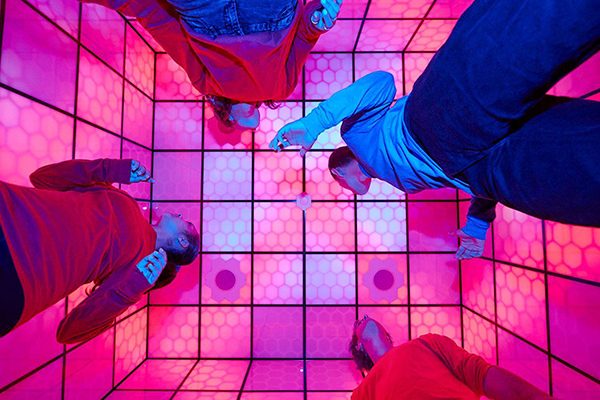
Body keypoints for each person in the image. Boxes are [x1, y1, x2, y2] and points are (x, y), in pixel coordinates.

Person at [269, 0, 600, 260]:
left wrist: (315, 123)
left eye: (341, 184)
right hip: (482, 174)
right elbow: (457, 175)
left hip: (437, 117)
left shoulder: (354, 135)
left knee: (545, 20)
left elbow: (381, 83)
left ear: (342, 172)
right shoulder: (396, 181)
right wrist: (478, 221)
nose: (347, 190)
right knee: (586, 175)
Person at [0, 158, 200, 343]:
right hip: (10, 210)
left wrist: (131, 289)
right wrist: (107, 169)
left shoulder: (137, 274)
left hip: (19, 281)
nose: (181, 215)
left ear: (182, 241)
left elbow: (70, 332)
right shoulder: (127, 201)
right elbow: (42, 179)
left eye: (188, 223)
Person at [88, 0, 343, 129]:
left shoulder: (207, 85)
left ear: (226, 114)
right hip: (268, 17)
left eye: (236, 124)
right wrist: (318, 19)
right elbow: (304, 37)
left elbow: (167, 31)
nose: (253, 122)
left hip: (208, 19)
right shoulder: (279, 89)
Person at [350, 315, 552, 400]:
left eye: (364, 318)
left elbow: (481, 375)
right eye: (359, 323)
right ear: (360, 348)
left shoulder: (428, 343)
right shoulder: (361, 393)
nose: (363, 318)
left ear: (387, 335)